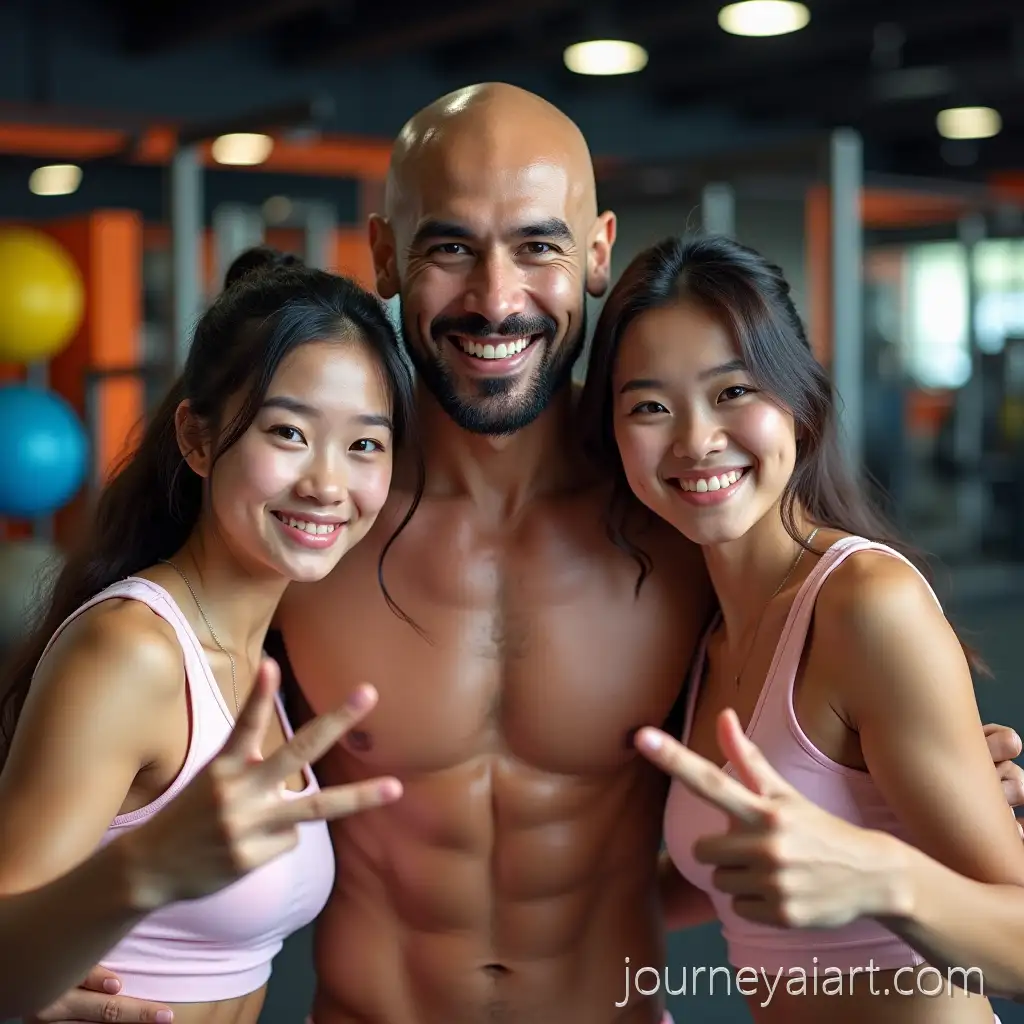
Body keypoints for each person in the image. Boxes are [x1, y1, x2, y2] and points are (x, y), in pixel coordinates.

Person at [43, 85, 1024, 1024]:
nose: (496, 297)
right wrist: (35, 955)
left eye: (536, 246)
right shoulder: (314, 527)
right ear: (383, 255)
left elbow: (795, 760)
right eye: (449, 247)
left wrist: (895, 802)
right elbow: (125, 714)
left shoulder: (683, 529)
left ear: (596, 252)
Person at [576, 232, 1024, 1022]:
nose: (694, 439)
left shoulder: (866, 602)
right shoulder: (701, 626)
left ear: (800, 402)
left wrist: (879, 872)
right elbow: (742, 873)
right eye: (649, 406)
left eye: (734, 391)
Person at [0, 248, 414, 1023]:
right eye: (288, 432)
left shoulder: (270, 648)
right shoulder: (133, 653)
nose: (327, 483)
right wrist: (147, 868)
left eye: (364, 444)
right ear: (197, 440)